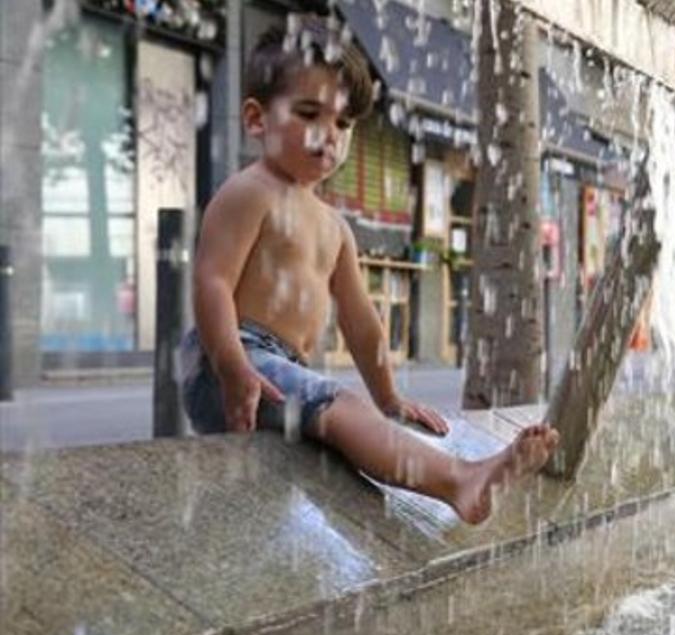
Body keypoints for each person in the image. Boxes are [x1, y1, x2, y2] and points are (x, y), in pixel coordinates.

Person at [180, 16, 557, 524]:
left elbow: (361, 323)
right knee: (341, 407)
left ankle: (434, 475)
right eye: (309, 113)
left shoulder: (336, 227)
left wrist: (389, 397)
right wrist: (231, 366)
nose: (328, 136)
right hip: (228, 359)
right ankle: (459, 481)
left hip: (282, 366)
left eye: (343, 123)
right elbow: (212, 281)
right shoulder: (251, 191)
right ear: (255, 119)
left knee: (346, 427)